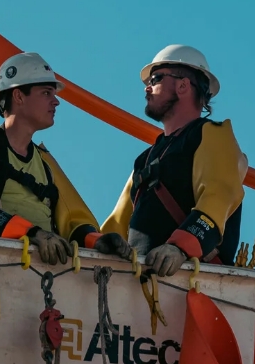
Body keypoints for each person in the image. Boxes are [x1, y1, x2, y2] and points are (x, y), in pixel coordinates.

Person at [0, 52, 132, 264]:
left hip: (41, 275)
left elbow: (74, 221)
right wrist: (32, 233)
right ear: (18, 96)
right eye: (46, 93)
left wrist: (97, 240)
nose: (56, 102)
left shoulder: (45, 163)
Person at [102, 44, 246, 276]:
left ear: (183, 85)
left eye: (156, 79)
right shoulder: (145, 160)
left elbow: (220, 194)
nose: (147, 88)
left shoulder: (211, 134)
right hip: (137, 281)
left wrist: (180, 247)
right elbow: (118, 222)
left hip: (192, 279)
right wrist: (97, 243)